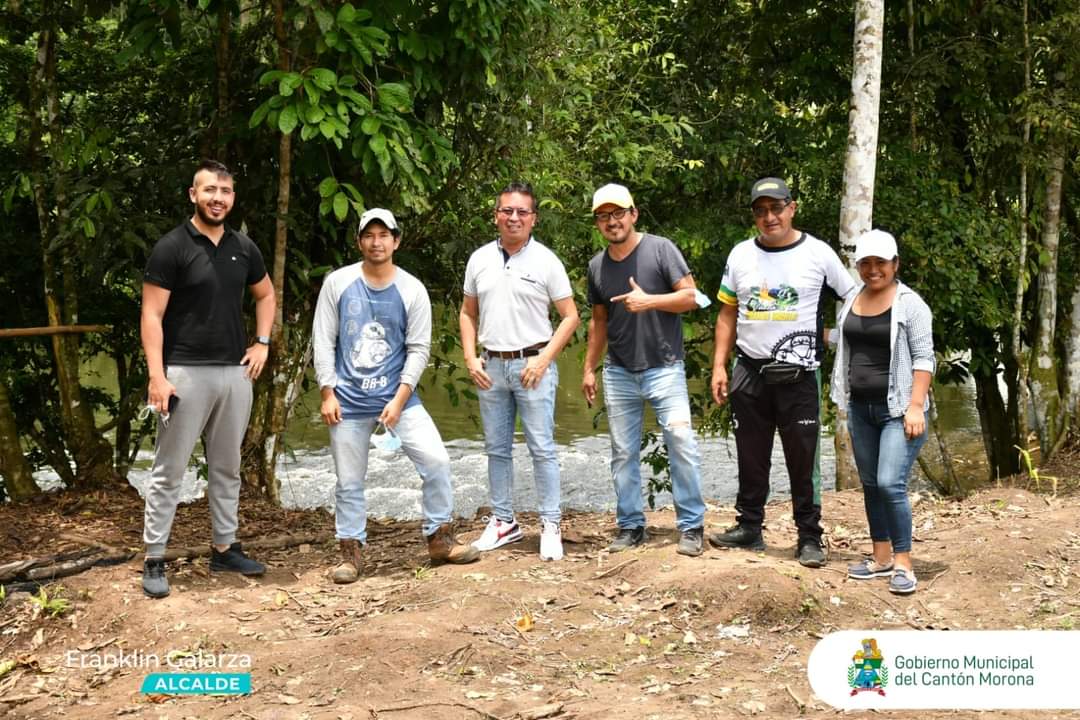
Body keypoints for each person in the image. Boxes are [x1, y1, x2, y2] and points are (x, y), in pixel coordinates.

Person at [314, 209, 480, 583]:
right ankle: (350, 553)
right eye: (369, 235)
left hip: (399, 398)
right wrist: (328, 392)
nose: (377, 242)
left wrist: (400, 398)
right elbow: (323, 341)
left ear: (396, 241)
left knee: (436, 460)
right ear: (360, 241)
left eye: (384, 235)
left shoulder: (411, 289)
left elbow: (418, 349)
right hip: (349, 400)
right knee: (349, 482)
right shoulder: (338, 284)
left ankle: (440, 537)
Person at [140, 159, 276, 598]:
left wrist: (262, 342)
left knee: (226, 467)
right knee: (169, 470)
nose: (218, 198)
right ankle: (154, 558)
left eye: (226, 191)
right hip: (183, 373)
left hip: (235, 372)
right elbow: (151, 314)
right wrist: (157, 377)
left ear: (233, 197)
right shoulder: (172, 247)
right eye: (209, 190)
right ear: (193, 195)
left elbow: (266, 293)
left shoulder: (244, 247)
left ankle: (224, 548)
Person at [709, 177, 856, 567]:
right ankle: (749, 528)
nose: (769, 217)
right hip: (749, 371)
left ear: (792, 208)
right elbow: (727, 312)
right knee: (750, 457)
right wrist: (719, 365)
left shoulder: (818, 253)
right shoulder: (741, 255)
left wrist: (831, 336)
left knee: (802, 459)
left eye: (776, 208)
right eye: (761, 211)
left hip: (799, 375)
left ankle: (809, 536)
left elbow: (855, 297)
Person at [582, 183, 708, 556]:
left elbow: (693, 298)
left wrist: (649, 300)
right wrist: (589, 368)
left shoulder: (660, 249)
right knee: (622, 451)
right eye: (603, 216)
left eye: (618, 213)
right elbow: (598, 322)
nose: (612, 222)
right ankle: (631, 525)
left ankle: (691, 526)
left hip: (665, 367)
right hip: (619, 370)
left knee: (681, 443)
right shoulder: (596, 266)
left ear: (633, 214)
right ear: (597, 223)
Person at [460, 182, 579, 561]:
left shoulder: (547, 261)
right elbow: (467, 312)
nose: (514, 217)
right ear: (496, 215)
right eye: (506, 211)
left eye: (521, 212)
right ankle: (503, 522)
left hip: (533, 366)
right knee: (496, 449)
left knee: (542, 449)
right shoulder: (479, 259)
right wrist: (469, 357)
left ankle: (550, 524)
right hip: (491, 365)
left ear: (533, 219)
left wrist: (543, 360)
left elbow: (570, 316)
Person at [831, 229, 933, 595]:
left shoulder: (911, 304)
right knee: (872, 484)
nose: (873, 270)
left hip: (899, 410)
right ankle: (881, 557)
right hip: (860, 407)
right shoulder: (853, 299)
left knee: (891, 483)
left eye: (881, 263)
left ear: (895, 264)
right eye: (866, 263)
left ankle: (904, 563)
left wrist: (916, 406)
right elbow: (846, 343)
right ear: (858, 266)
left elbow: (924, 358)